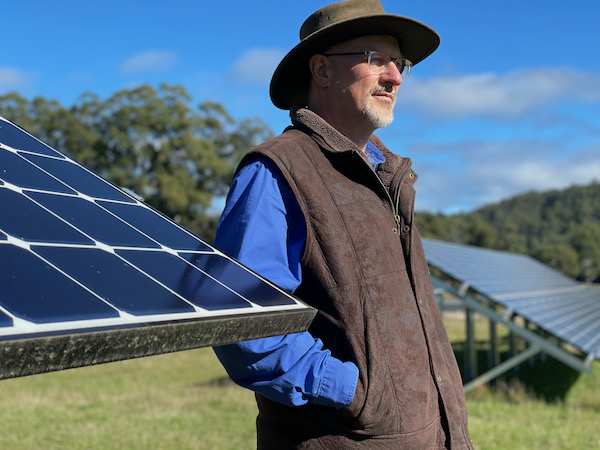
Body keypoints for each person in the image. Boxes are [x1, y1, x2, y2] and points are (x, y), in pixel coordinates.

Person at [213, 0, 473, 448]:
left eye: (400, 63)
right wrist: (357, 391)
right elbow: (241, 323)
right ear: (322, 71)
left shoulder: (388, 176)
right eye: (375, 59)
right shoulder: (277, 171)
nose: (394, 76)